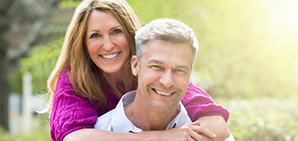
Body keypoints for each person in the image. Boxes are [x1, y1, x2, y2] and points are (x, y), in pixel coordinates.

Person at [47, 0, 230, 140]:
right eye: (95, 35)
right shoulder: (74, 81)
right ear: (83, 44)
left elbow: (216, 124)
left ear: (129, 33)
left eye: (116, 32)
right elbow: (74, 138)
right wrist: (159, 137)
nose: (108, 45)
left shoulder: (159, 71)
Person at [94, 18, 234, 141]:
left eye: (179, 70)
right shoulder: (99, 131)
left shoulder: (215, 136)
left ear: (189, 74)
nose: (167, 81)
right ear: (135, 66)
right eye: (156, 67)